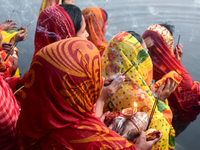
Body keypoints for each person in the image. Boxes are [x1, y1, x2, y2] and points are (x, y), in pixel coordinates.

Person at [17, 37, 161, 150]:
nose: (99, 80)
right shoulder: (97, 143)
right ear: (77, 88)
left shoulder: (29, 111)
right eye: (94, 74)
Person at [102, 31, 182, 150]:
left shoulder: (100, 80)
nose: (148, 57)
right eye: (144, 53)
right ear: (134, 58)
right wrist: (159, 101)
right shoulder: (138, 95)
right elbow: (162, 129)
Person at [142, 24, 200, 136]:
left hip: (146, 128)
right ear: (167, 47)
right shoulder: (182, 79)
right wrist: (177, 67)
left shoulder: (137, 67)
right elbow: (195, 96)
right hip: (168, 126)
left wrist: (176, 65)